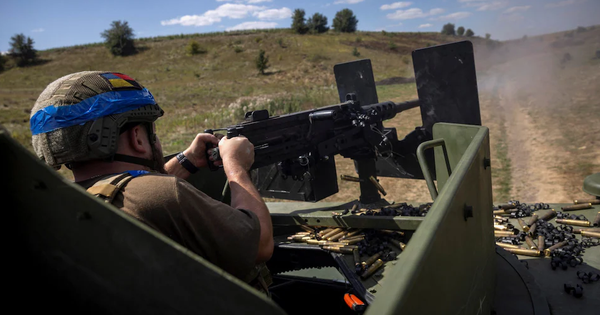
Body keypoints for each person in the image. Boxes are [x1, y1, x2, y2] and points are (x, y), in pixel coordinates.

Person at [29, 71, 273, 286]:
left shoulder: (65, 202)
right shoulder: (166, 194)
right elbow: (260, 244)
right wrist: (236, 165)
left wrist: (186, 160)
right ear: (137, 136)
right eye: (150, 131)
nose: (155, 140)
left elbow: (126, 189)